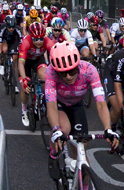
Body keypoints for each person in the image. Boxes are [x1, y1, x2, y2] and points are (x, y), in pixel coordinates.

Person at [46, 42, 118, 180]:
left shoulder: (89, 70)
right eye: (62, 73)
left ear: (78, 65)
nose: (68, 77)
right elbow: (51, 104)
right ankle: (53, 154)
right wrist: (56, 129)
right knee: (64, 129)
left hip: (76, 104)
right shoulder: (50, 71)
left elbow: (101, 104)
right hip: (59, 104)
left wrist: (108, 128)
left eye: (72, 71)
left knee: (81, 149)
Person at [18, 22, 55, 127]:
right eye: (35, 39)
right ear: (31, 37)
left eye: (41, 39)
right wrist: (24, 80)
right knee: (26, 88)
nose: (39, 42)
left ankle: (45, 99)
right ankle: (24, 110)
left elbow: (55, 58)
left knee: (45, 77)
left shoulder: (48, 41)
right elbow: (21, 63)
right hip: (26, 63)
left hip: (38, 61)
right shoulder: (25, 42)